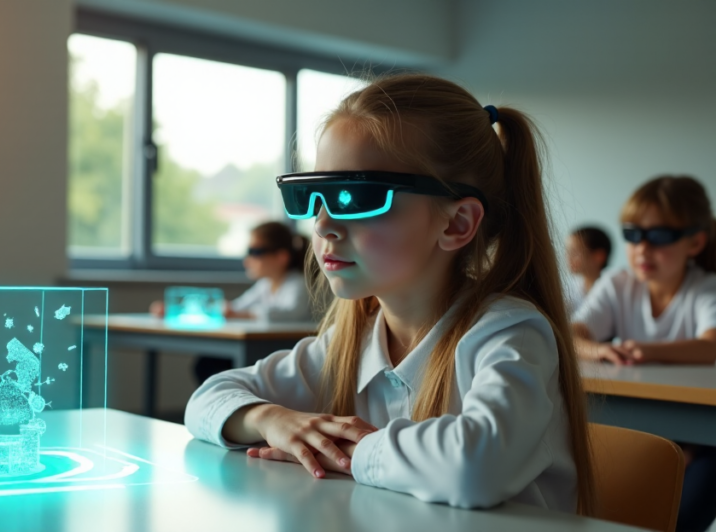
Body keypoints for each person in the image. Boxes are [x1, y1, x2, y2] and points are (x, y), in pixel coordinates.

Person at [184, 73, 595, 514]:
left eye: (353, 196)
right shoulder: (351, 341)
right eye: (312, 195)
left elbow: (475, 466)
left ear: (456, 223)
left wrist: (347, 452)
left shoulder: (511, 333)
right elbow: (207, 400)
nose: (321, 225)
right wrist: (274, 420)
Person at [572, 175, 716, 532]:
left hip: (702, 433)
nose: (642, 248)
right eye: (633, 235)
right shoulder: (619, 283)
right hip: (636, 424)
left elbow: (711, 345)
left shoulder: (705, 287)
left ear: (695, 241)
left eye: (661, 236)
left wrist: (643, 349)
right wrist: (598, 349)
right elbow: (572, 333)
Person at [151, 221, 313, 383]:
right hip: (267, 353)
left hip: (286, 358)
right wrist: (177, 309)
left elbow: (290, 313)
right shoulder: (265, 285)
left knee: (215, 367)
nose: (247, 260)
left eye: (255, 252)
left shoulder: (298, 284)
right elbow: (235, 307)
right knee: (206, 364)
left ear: (281, 257)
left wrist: (239, 314)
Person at [564, 226, 612, 314]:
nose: (568, 258)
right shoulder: (568, 290)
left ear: (599, 256)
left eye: (575, 252)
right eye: (568, 252)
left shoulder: (612, 289)